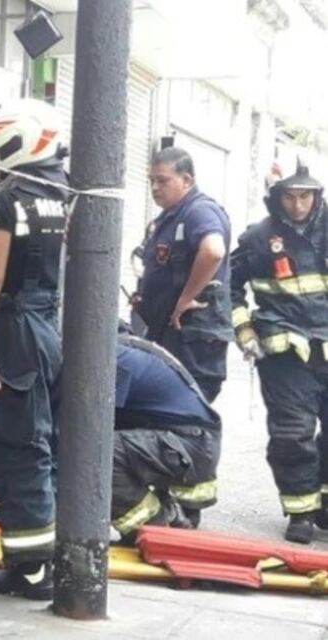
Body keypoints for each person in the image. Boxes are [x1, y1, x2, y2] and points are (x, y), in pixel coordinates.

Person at [0, 99, 68, 601]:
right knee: (40, 443)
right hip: (48, 327)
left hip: (15, 329)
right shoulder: (60, 194)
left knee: (19, 447)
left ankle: (31, 569)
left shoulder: (9, 199)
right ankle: (38, 560)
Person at [230, 162, 328, 544]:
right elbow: (229, 288)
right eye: (290, 196)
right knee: (293, 433)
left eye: (305, 195)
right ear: (276, 196)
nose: (298, 204)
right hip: (284, 351)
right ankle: (300, 512)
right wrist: (244, 330)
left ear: (317, 195)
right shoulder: (257, 238)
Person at [135, 147, 233, 402]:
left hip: (192, 337)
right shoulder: (170, 217)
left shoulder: (198, 211)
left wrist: (187, 297)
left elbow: (213, 250)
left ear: (187, 180)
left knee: (186, 411)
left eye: (163, 180)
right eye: (151, 181)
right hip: (172, 333)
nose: (155, 187)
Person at [112, 331, 221, 542]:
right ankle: (172, 516)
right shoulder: (121, 347)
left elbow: (86, 426)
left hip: (187, 444)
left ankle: (154, 527)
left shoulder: (114, 361)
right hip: (188, 441)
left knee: (92, 451)